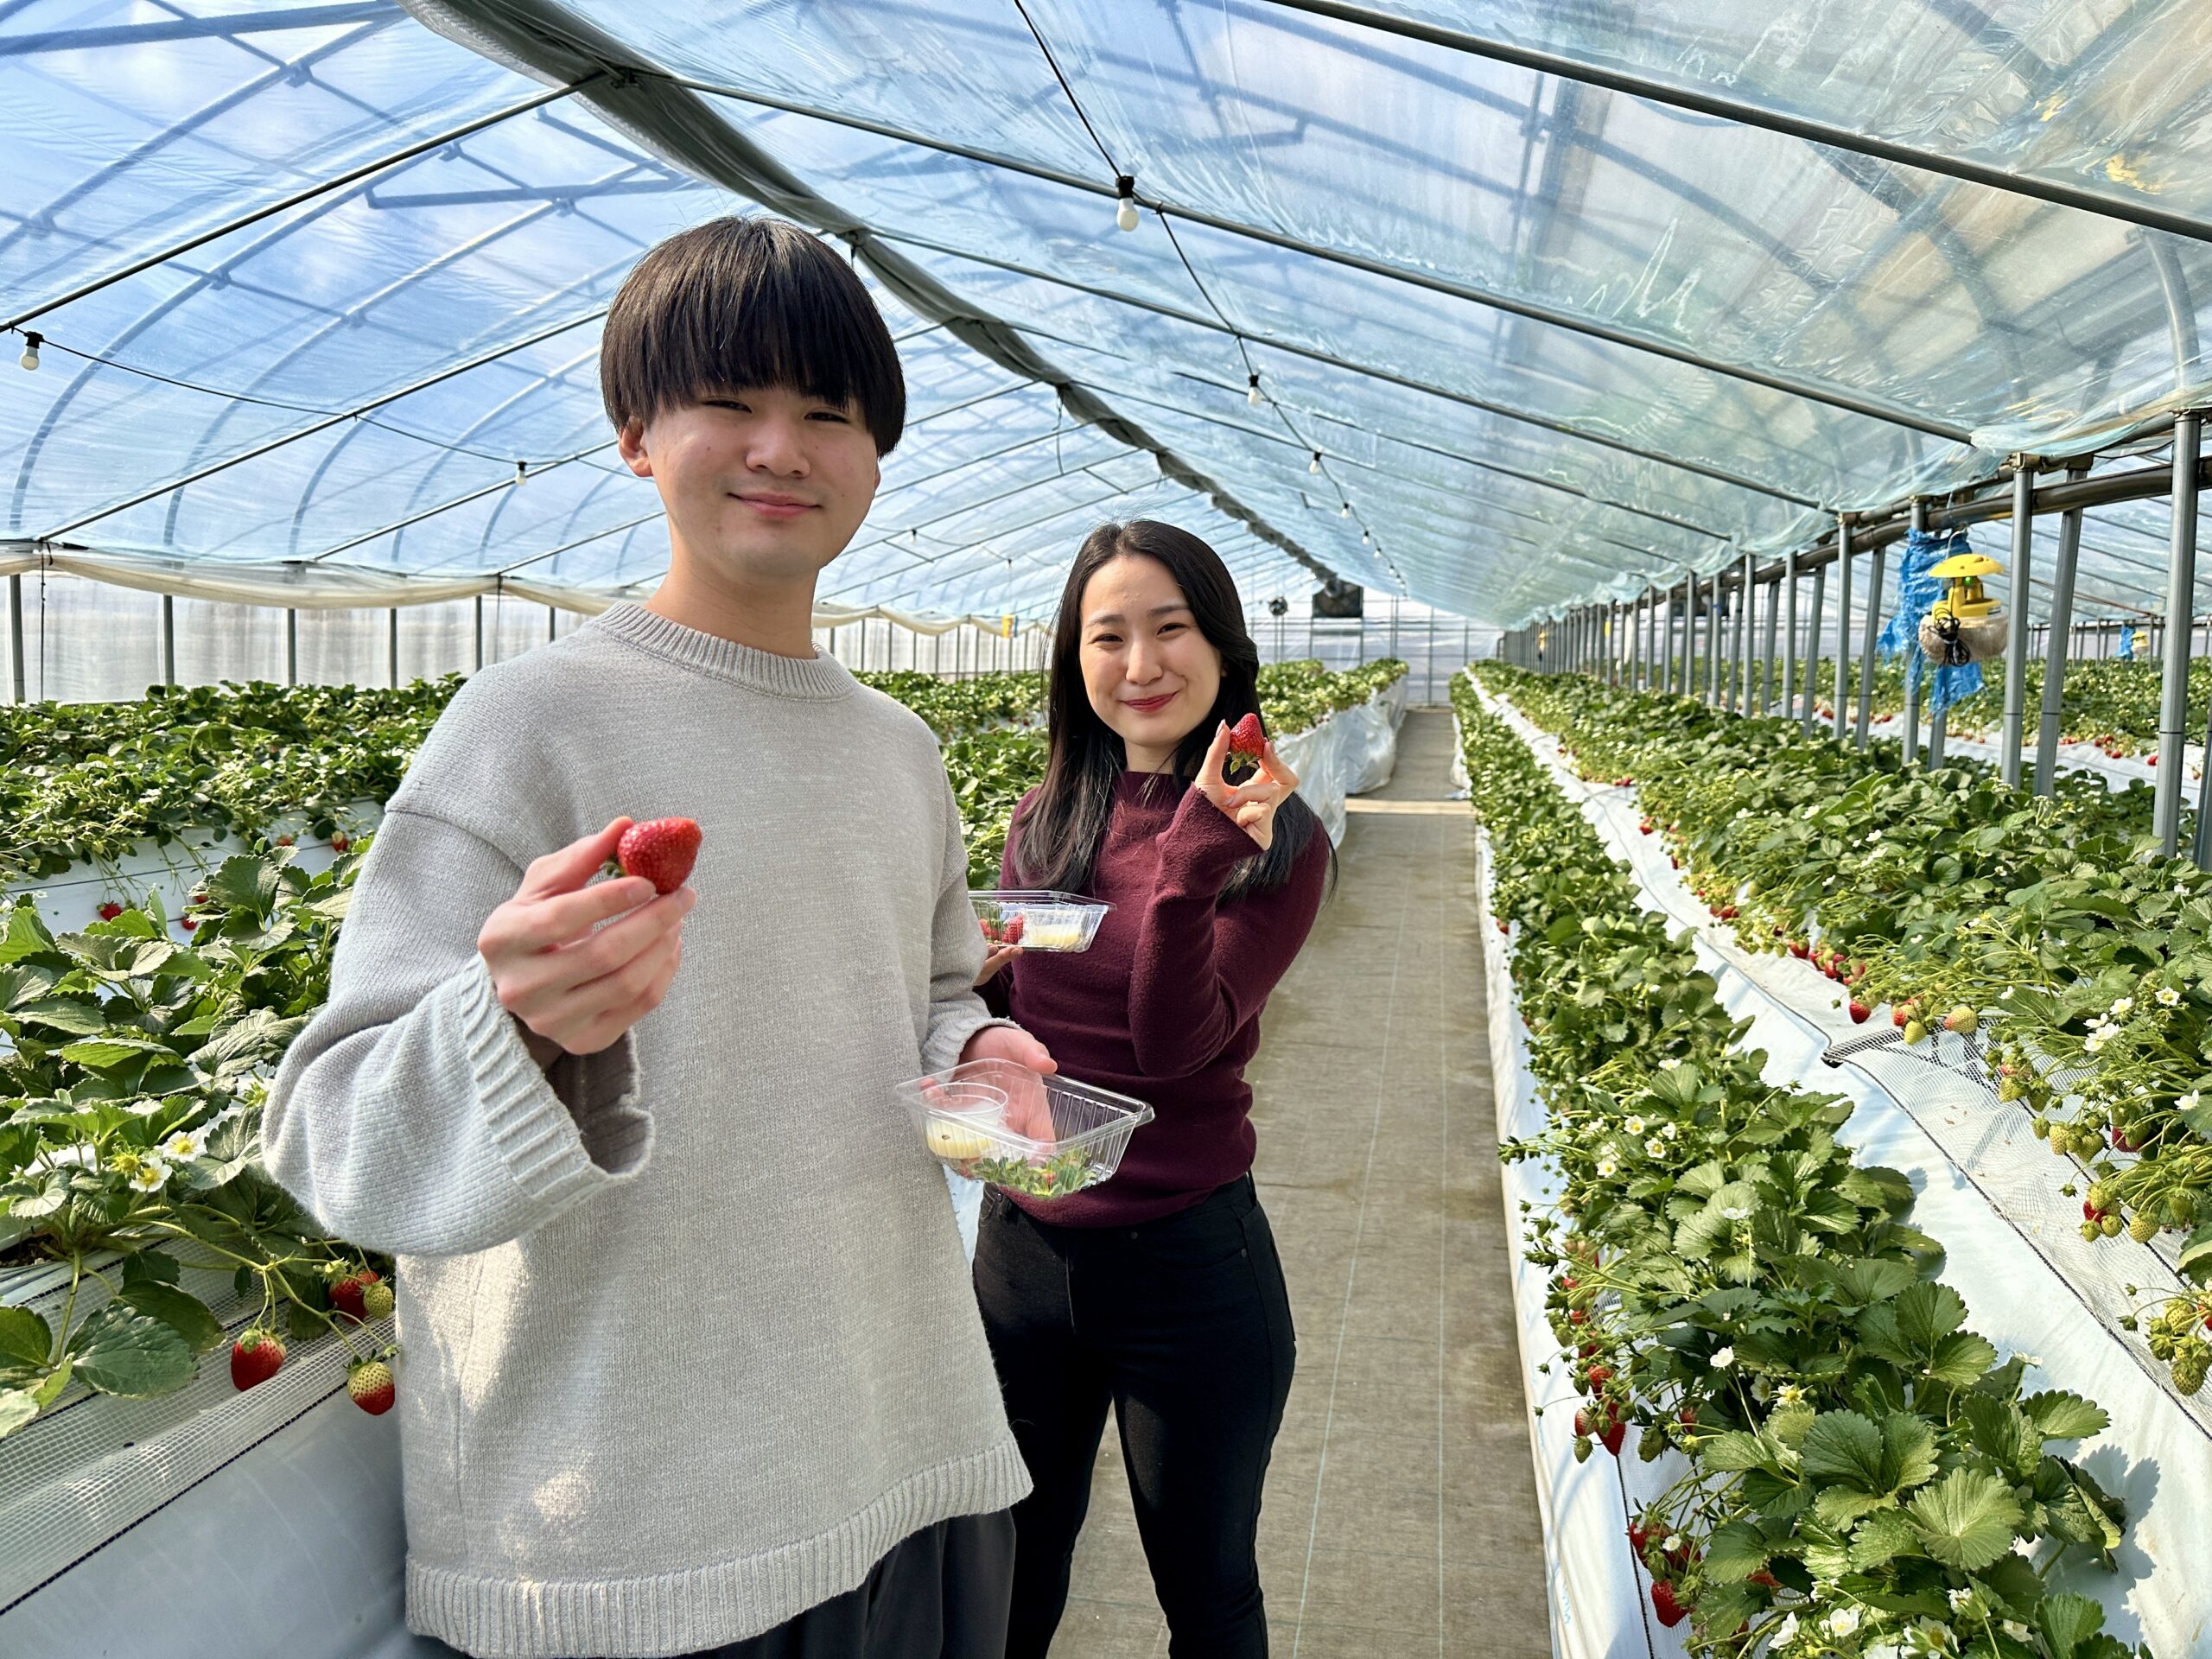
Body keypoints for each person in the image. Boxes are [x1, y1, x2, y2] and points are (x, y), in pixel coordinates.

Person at [263, 216, 1050, 1659]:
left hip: (906, 1454)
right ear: (636, 438)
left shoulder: (900, 753)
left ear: (878, 455)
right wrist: (511, 1028)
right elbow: (334, 1139)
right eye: (729, 402)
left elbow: (934, 992)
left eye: (829, 413)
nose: (780, 449)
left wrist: (980, 1050)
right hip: (625, 1533)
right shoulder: (528, 725)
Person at [973, 520, 1332, 1657]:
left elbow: (1176, 1045)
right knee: (1010, 1568)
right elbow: (1023, 1010)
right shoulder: (1047, 818)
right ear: (1073, 659)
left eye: (1170, 630)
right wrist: (971, 987)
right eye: (1107, 635)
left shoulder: (1278, 842)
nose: (1140, 665)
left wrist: (1190, 864)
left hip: (1188, 1267)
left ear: (1223, 648)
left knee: (1207, 1591)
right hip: (1022, 1253)